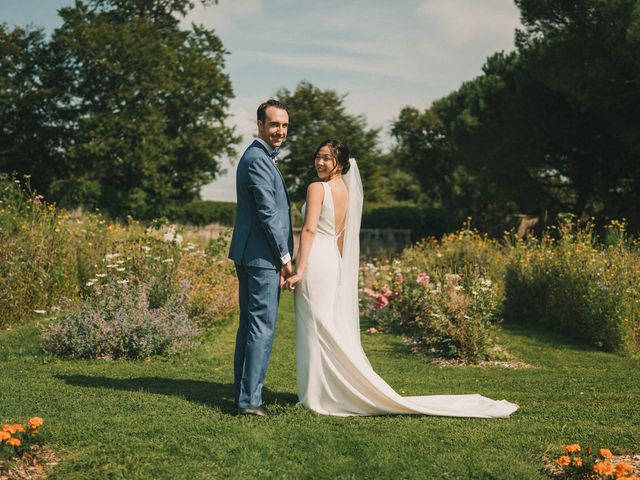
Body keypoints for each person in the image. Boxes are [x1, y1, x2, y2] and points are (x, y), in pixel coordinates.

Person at [284, 139, 518, 417]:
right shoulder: (346, 191)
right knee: (325, 325)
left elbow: (308, 230)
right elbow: (342, 236)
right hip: (331, 261)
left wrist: (299, 268)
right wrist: (336, 267)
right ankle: (326, 390)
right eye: (318, 157)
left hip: (316, 260)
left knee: (315, 326)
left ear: (341, 163)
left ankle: (316, 395)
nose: (319, 163)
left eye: (326, 158)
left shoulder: (316, 188)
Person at [228, 99, 294, 416]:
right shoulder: (257, 159)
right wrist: (285, 258)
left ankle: (243, 392)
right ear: (260, 125)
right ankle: (250, 402)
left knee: (250, 326)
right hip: (261, 258)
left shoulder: (260, 158)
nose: (279, 131)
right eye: (274, 124)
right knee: (261, 328)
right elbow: (268, 215)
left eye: (284, 125)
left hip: (252, 255)